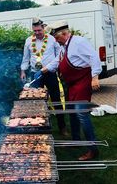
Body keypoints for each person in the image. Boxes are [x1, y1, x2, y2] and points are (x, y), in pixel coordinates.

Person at [43, 20, 101, 161]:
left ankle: (92, 149)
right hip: (72, 85)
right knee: (72, 113)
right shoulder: (65, 46)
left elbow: (93, 57)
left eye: (57, 38)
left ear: (64, 34)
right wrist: (45, 69)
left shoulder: (78, 42)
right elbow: (58, 60)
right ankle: (76, 141)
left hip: (82, 83)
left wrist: (95, 77)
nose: (56, 41)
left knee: (82, 115)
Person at [20, 17, 67, 135]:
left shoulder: (52, 39)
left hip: (50, 73)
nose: (37, 33)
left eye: (39, 30)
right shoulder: (28, 41)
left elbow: (59, 56)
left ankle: (62, 127)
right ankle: (40, 127)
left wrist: (51, 68)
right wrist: (23, 71)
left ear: (43, 28)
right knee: (37, 101)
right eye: (34, 31)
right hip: (35, 73)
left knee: (56, 99)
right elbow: (25, 58)